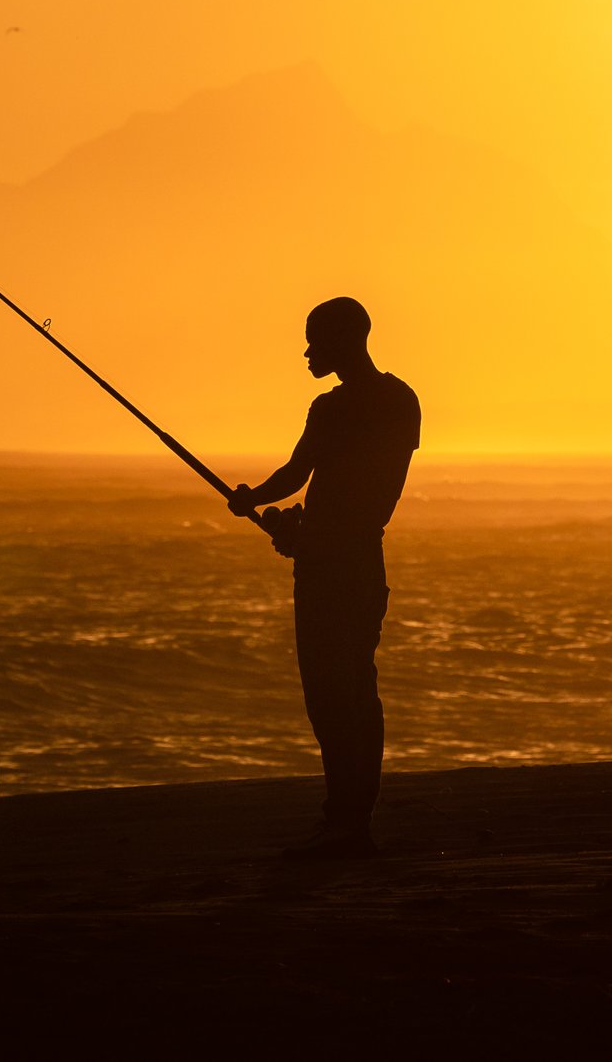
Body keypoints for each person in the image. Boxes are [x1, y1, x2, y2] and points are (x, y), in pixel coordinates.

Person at [229, 297, 420, 859]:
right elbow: (374, 493)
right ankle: (351, 818)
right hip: (361, 560)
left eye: (316, 340)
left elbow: (297, 474)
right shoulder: (401, 400)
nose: (308, 351)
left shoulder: (332, 409)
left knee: (332, 697)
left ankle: (346, 821)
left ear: (345, 339)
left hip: (329, 567)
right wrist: (290, 521)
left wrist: (253, 502)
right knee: (357, 689)